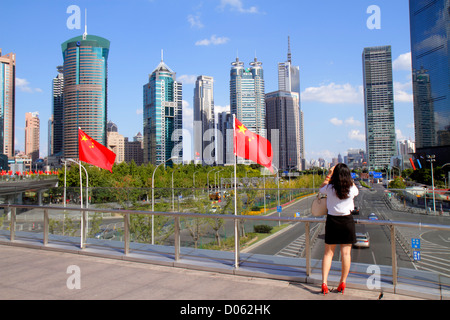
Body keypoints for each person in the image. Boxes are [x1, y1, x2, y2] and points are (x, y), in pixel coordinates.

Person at [319, 163, 359, 295]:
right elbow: (356, 190)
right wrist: (349, 179)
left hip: (332, 221)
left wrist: (329, 174)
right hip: (347, 221)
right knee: (346, 254)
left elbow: (321, 189)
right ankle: (342, 282)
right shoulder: (351, 188)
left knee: (328, 254)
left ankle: (324, 283)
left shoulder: (329, 188)